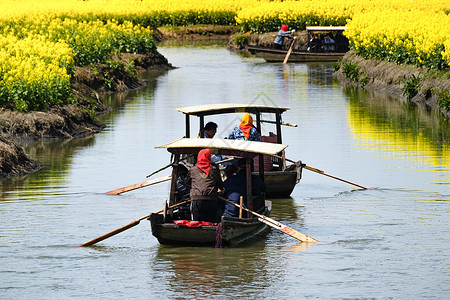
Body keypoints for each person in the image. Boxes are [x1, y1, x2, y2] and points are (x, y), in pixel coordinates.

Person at [185, 149, 224, 223]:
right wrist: (221, 188)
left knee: (196, 223)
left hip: (197, 200)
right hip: (211, 200)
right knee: (210, 223)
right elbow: (220, 184)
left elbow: (186, 182)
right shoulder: (214, 169)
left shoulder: (192, 170)